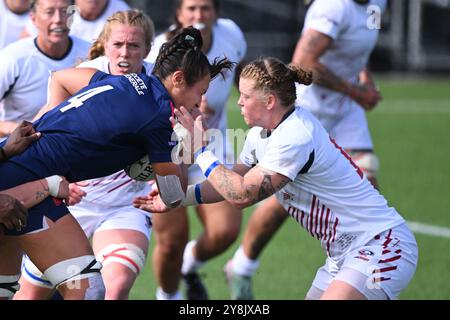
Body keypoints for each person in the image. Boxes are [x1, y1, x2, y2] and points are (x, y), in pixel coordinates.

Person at [135, 57, 418, 300]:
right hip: (342, 256)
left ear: (269, 101)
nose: (240, 103)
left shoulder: (295, 136)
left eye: (245, 96)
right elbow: (229, 182)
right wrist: (178, 198)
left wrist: (200, 151)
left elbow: (242, 196)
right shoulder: (261, 134)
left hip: (381, 245)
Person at [0, 26, 233, 300]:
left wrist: (50, 130)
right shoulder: (160, 117)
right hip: (25, 184)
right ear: (179, 79)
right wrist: (191, 149)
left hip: (10, 163)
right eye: (200, 92)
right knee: (87, 290)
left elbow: (62, 79)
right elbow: (172, 196)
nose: (201, 103)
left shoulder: (125, 81)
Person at [224, 0, 387, 299]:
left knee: (367, 186)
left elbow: (357, 47)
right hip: (310, 109)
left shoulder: (378, 4)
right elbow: (304, 60)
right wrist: (355, 91)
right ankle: (243, 265)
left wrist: (364, 80)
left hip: (345, 109)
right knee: (285, 194)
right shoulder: (332, 8)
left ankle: (357, 269)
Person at [15, 9, 156, 300]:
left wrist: (168, 175)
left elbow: (186, 141)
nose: (124, 54)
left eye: (133, 46)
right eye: (118, 45)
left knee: (112, 289)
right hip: (71, 203)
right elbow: (45, 131)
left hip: (123, 205)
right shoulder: (85, 76)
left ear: (147, 49)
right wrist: (58, 176)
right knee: (30, 296)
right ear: (105, 45)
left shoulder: (158, 85)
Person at [145, 0, 247, 300]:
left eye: (205, 8)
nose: (198, 15)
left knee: (225, 230)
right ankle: (170, 297)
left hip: (210, 143)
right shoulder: (160, 53)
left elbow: (239, 76)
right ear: (178, 14)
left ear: (216, 12)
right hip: (167, 148)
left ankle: (189, 266)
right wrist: (184, 109)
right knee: (172, 240)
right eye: (191, 8)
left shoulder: (232, 35)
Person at [0, 0, 90, 139]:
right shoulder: (12, 58)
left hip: (71, 146)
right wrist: (16, 129)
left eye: (65, 11)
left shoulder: (89, 53)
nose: (58, 19)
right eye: (49, 12)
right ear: (33, 18)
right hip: (19, 151)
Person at [23, 0, 130, 43]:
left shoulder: (122, 12)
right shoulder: (56, 5)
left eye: (64, 12)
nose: (58, 19)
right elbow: (24, 44)